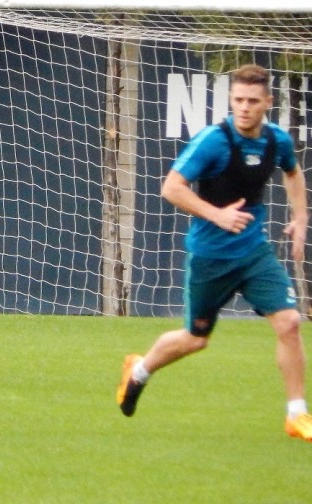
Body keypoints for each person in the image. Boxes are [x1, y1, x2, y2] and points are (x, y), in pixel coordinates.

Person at [117, 64, 312, 441]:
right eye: (238, 100)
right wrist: (215, 214)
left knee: (289, 323)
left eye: (252, 101)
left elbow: (293, 172)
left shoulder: (276, 141)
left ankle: (296, 413)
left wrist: (301, 218)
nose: (244, 107)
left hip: (255, 253)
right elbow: (172, 187)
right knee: (195, 339)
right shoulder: (213, 141)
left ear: (267, 103)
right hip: (210, 256)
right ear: (230, 101)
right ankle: (139, 370)